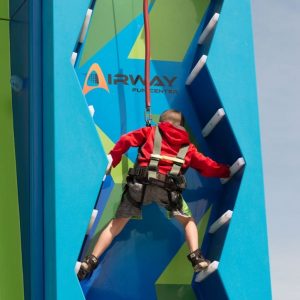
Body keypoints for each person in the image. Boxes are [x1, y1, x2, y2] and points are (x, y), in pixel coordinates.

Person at [77, 109, 230, 281]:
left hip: (139, 186)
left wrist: (114, 157)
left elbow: (126, 140)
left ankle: (90, 262)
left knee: (115, 225)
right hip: (168, 191)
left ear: (162, 122)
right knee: (188, 222)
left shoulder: (149, 132)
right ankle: (196, 257)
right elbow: (208, 166)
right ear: (181, 126)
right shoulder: (188, 148)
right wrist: (226, 171)